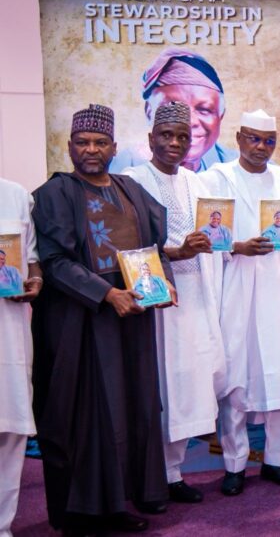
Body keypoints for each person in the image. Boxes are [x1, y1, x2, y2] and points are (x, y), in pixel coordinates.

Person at [31, 104, 175, 533]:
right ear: (69, 146)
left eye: (99, 142)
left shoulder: (131, 189)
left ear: (113, 147)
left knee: (131, 408)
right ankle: (82, 514)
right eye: (82, 142)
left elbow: (155, 247)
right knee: (84, 414)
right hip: (81, 322)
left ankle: (117, 504)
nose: (91, 150)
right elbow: (54, 262)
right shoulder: (56, 194)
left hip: (132, 317)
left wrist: (163, 284)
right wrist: (107, 294)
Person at [199, 109, 280, 496]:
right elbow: (202, 237)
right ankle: (234, 464)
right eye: (253, 138)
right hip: (237, 287)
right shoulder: (216, 178)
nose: (261, 147)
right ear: (238, 138)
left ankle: (276, 462)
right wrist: (237, 246)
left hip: (279, 287)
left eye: (268, 141)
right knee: (237, 376)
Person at [124, 101, 227, 505]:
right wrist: (176, 253)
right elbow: (127, 247)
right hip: (155, 301)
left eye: (182, 137)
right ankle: (147, 477)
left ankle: (172, 473)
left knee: (189, 385)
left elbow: (214, 238)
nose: (175, 143)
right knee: (157, 386)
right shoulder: (131, 183)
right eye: (166, 135)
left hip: (197, 296)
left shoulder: (197, 183)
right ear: (151, 139)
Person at [111, 48, 238, 173]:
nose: (189, 122)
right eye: (174, 108)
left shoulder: (233, 166)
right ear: (149, 112)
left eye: (204, 110)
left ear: (221, 115)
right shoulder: (126, 166)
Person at [0, 178, 42, 537]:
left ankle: (3, 525)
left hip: (9, 337)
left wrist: (35, 281)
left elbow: (31, 259)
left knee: (10, 431)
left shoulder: (15, 196)